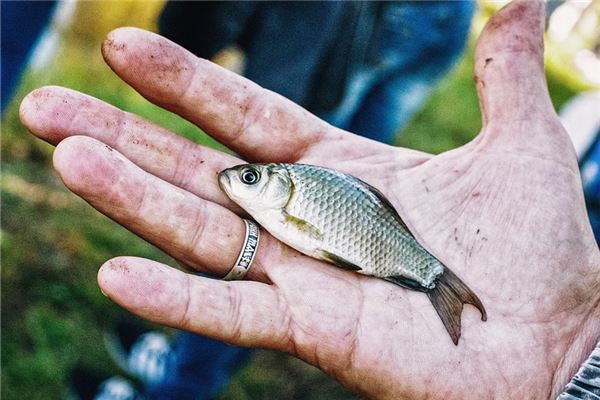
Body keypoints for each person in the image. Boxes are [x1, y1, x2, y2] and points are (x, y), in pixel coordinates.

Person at [19, 1, 600, 399]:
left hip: (334, 26)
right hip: (435, 20)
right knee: (292, 245)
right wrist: (575, 368)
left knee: (268, 269)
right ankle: (184, 373)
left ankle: (178, 385)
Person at [158, 1, 475, 144]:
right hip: (445, 17)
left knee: (305, 153)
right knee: (351, 161)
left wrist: (187, 34)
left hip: (365, 29)